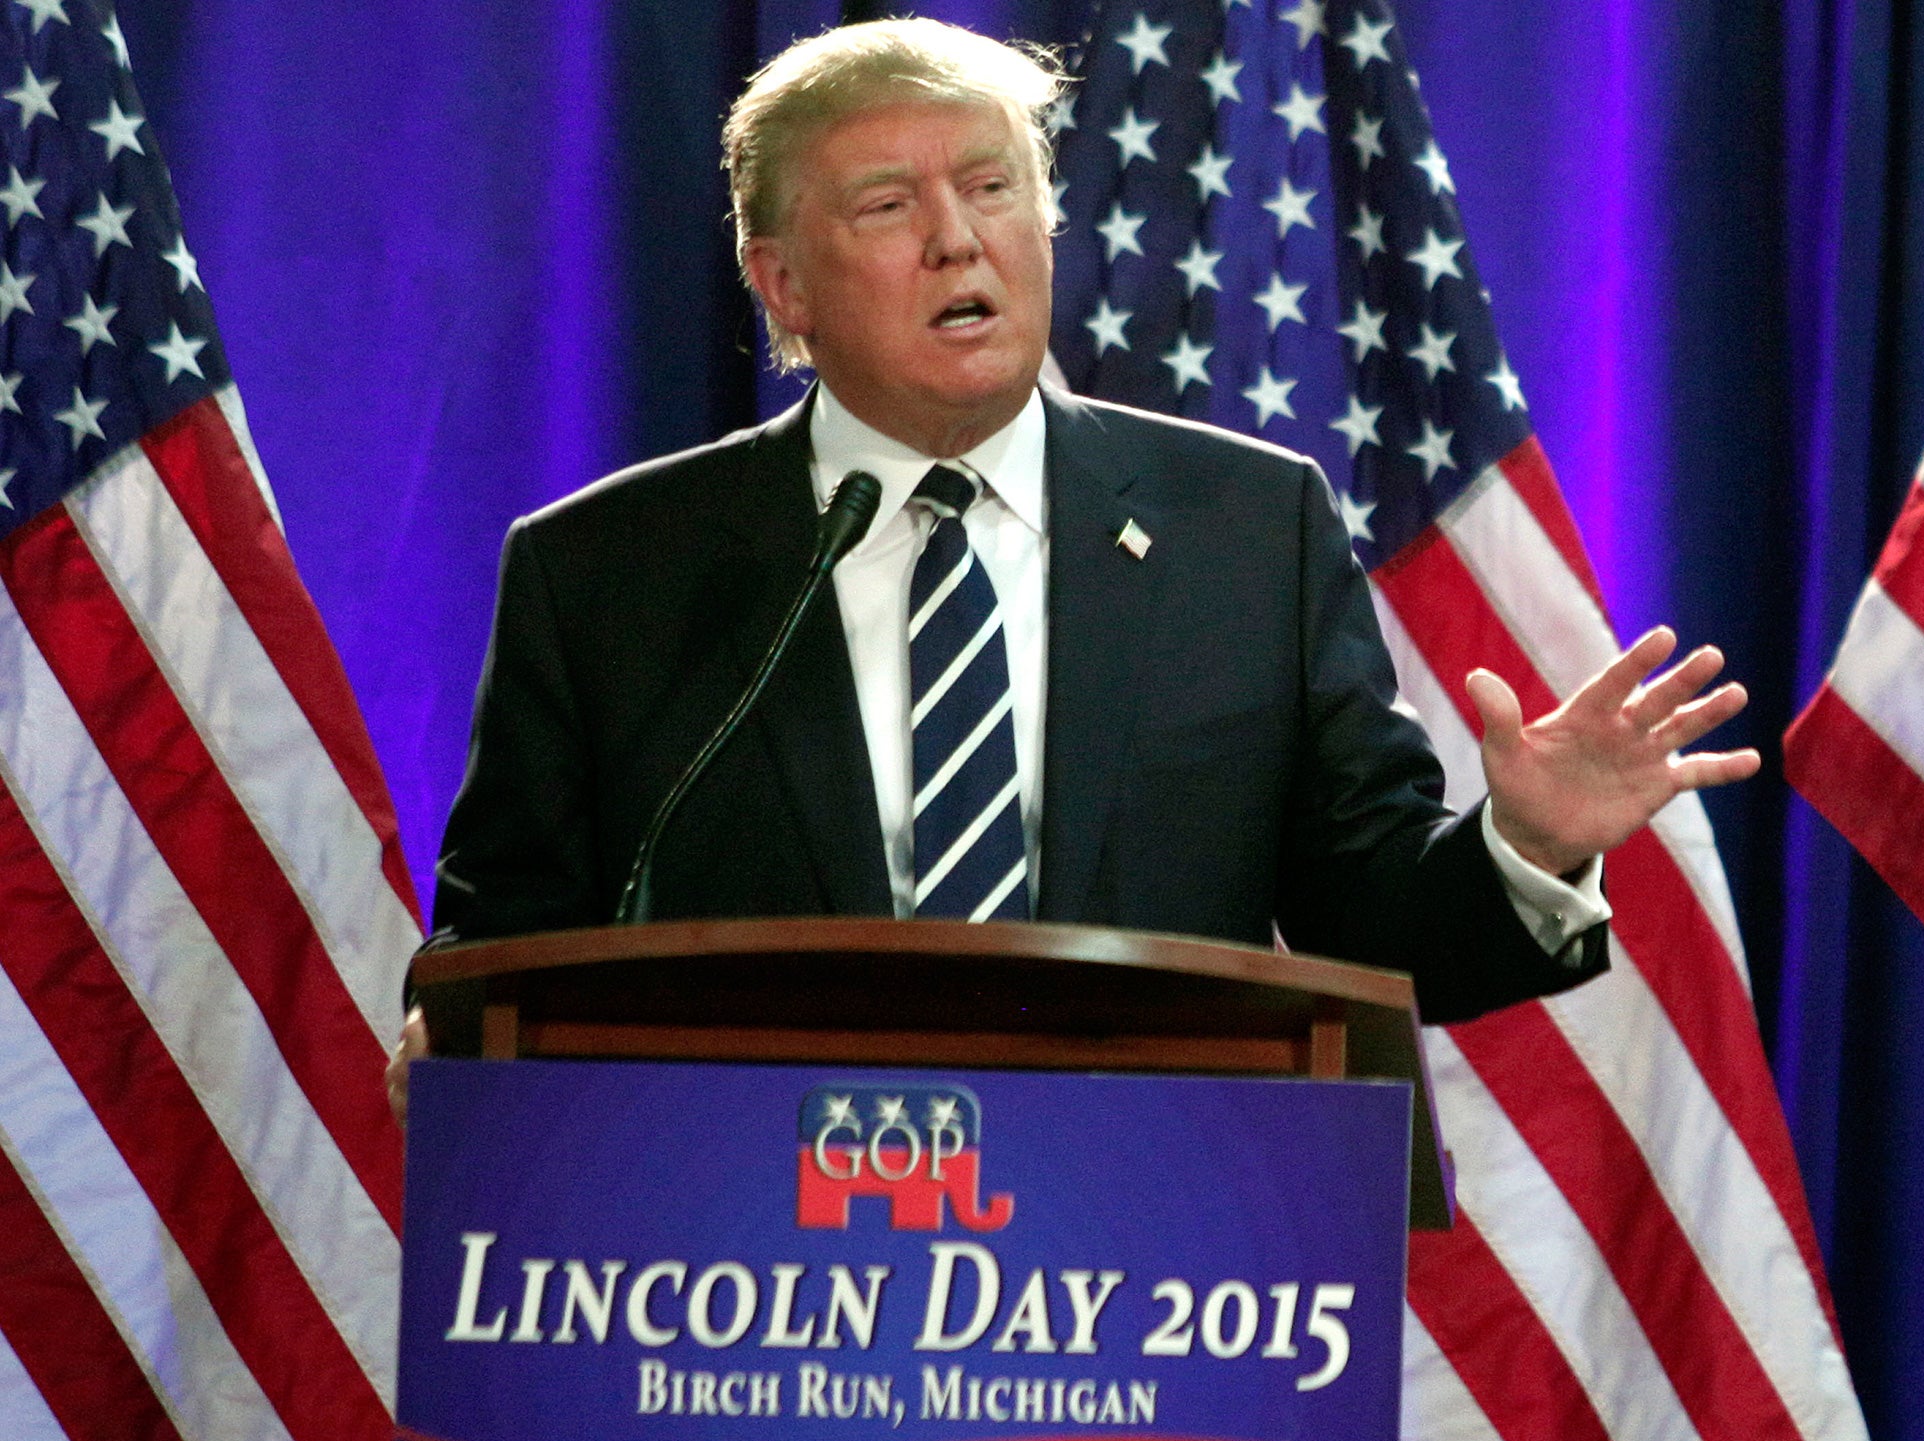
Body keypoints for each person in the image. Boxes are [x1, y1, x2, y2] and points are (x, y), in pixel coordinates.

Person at [388, 19, 1757, 1113]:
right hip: (739, 1291)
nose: (956, 236)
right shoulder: (608, 570)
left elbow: (1371, 932)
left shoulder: (1249, 530)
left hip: (1135, 1286)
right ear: (783, 285)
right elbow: (503, 940)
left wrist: (1527, 844)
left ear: (1045, 228)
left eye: (992, 188)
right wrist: (451, 1037)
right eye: (887, 204)